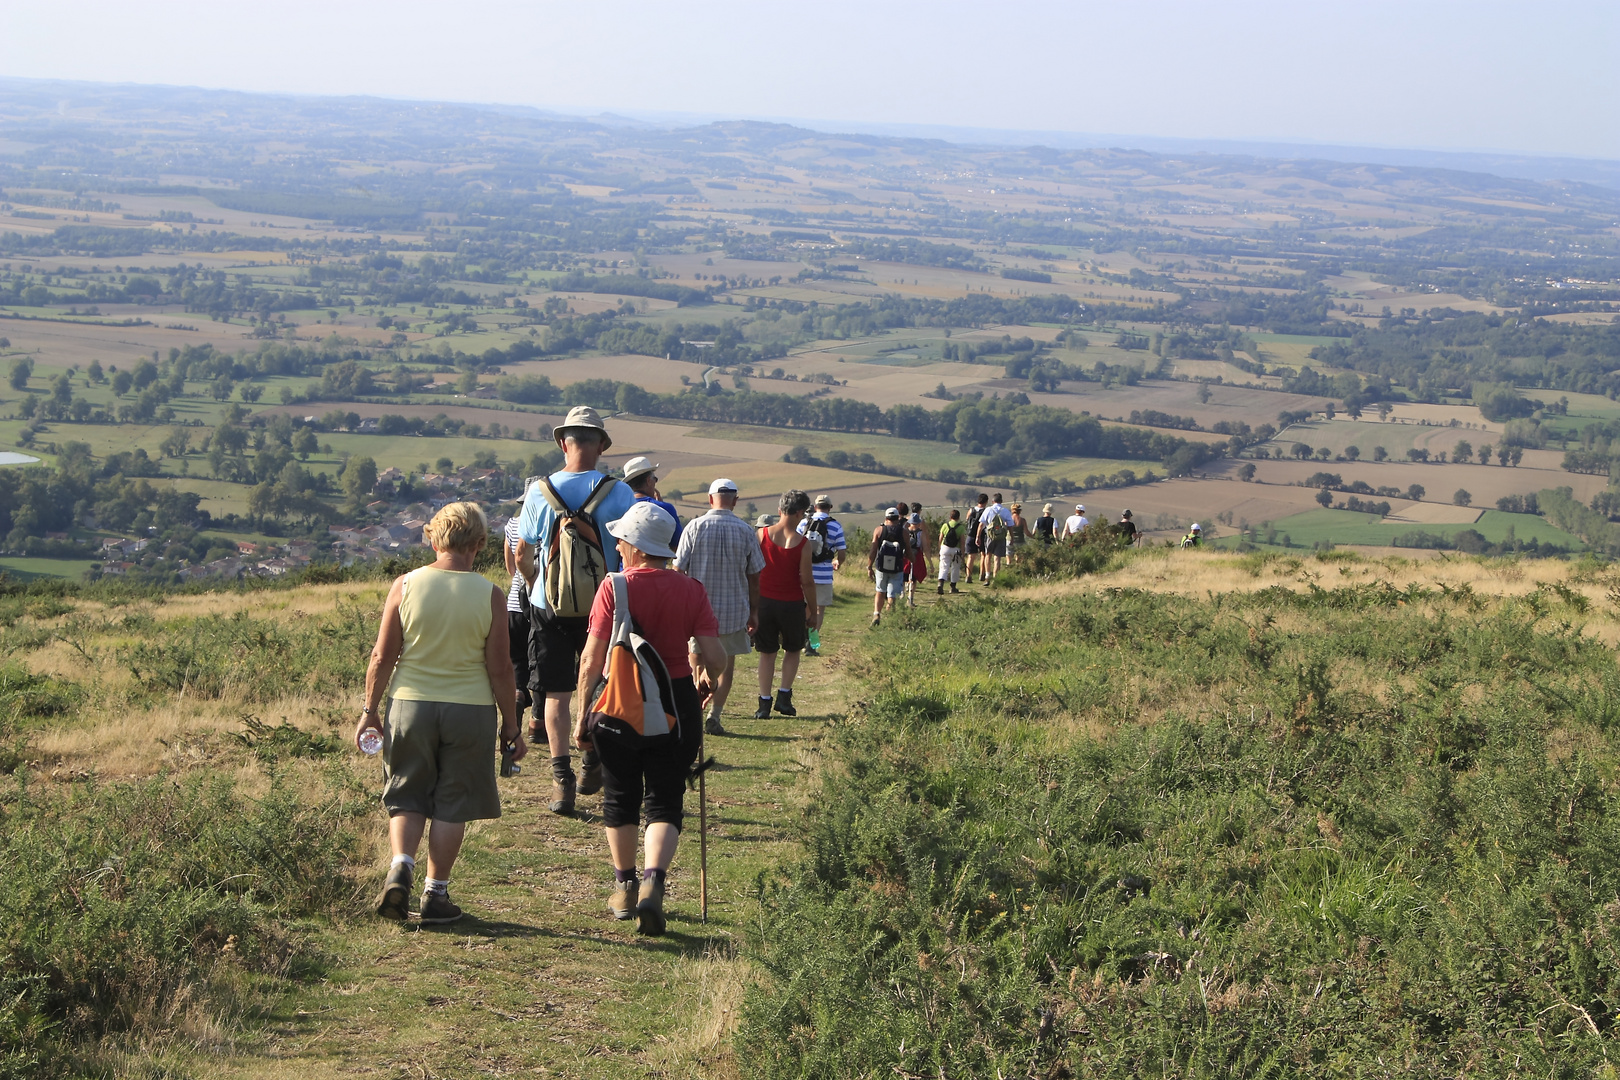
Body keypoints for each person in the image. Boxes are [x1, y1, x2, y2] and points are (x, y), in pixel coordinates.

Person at [360, 502, 523, 925]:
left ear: (433, 538)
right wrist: (511, 724)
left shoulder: (405, 585)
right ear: (481, 544)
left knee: (407, 792)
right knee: (454, 802)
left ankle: (401, 867)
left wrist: (369, 710)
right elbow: (501, 669)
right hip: (470, 711)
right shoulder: (490, 595)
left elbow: (382, 656)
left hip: (409, 704)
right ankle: (436, 895)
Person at [573, 502, 724, 936]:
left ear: (636, 547)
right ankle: (653, 882)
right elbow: (713, 653)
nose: (617, 546)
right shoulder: (690, 589)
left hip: (619, 700)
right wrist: (709, 679)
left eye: (621, 539)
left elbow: (591, 660)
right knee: (665, 797)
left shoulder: (614, 587)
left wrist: (584, 714)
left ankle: (624, 886)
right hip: (676, 701)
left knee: (619, 795)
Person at [514, 405, 637, 816]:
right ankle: (591, 758)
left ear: (563, 443)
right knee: (601, 683)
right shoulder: (618, 493)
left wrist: (536, 588)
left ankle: (561, 779)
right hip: (603, 602)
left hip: (547, 605)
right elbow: (629, 552)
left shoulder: (538, 492)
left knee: (554, 693)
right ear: (601, 445)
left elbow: (523, 550)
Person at [674, 478, 763, 736]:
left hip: (696, 610)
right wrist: (754, 610)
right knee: (725, 665)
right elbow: (755, 575)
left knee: (696, 662)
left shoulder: (694, 527)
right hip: (734, 610)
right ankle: (715, 714)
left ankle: (694, 710)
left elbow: (678, 569)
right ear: (735, 501)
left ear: (710, 499)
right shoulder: (746, 530)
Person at [754, 490, 817, 718]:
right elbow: (807, 581)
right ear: (800, 512)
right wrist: (813, 610)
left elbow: (751, 570)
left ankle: (764, 703)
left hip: (764, 602)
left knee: (766, 653)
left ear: (781, 509)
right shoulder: (803, 544)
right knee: (792, 649)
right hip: (791, 604)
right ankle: (784, 696)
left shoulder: (761, 535)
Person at [796, 494, 846, 656]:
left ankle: (800, 639)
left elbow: (794, 545)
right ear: (830, 507)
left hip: (803, 572)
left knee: (804, 607)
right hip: (824, 573)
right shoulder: (835, 526)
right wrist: (838, 562)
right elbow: (842, 551)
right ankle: (812, 644)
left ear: (815, 506)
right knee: (819, 609)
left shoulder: (803, 523)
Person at [502, 501, 534, 723]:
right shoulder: (549, 524)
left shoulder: (512, 525)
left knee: (517, 659)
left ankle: (517, 693)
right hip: (541, 604)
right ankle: (537, 722)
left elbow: (511, 568)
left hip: (514, 602)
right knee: (540, 661)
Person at [621, 455, 683, 546]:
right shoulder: (664, 509)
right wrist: (661, 505)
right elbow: (679, 544)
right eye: (655, 479)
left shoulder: (620, 507)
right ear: (648, 481)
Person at [868, 506, 909, 626]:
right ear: (898, 518)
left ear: (886, 518)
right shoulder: (904, 532)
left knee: (880, 591)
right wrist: (912, 560)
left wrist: (869, 567)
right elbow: (908, 551)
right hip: (897, 567)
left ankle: (876, 614)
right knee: (892, 594)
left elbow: (873, 550)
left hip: (881, 567)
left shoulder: (879, 530)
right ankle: (891, 615)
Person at [976, 493, 1013, 581]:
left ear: (992, 501)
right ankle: (996, 577)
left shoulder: (988, 510)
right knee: (997, 558)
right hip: (1001, 536)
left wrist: (978, 536)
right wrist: (1012, 537)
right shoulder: (1005, 511)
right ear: (1001, 501)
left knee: (988, 555)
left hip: (990, 536)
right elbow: (1010, 526)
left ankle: (987, 575)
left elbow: (981, 524)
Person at [904, 501, 929, 608]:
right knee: (914, 578)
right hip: (916, 556)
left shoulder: (904, 531)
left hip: (905, 556)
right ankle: (910, 598)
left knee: (904, 576)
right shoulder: (920, 533)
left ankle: (902, 595)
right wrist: (930, 562)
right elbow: (925, 547)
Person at [936, 508, 966, 595]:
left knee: (943, 567)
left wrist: (940, 548)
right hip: (956, 550)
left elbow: (940, 538)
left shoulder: (945, 525)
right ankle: (953, 587)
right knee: (955, 568)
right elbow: (962, 542)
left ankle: (940, 584)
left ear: (950, 517)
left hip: (945, 548)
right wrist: (963, 553)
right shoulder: (960, 527)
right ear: (958, 517)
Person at [963, 494, 988, 583]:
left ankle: (968, 576)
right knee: (983, 555)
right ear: (986, 502)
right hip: (982, 535)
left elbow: (967, 520)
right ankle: (982, 574)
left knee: (971, 557)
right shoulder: (986, 511)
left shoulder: (971, 510)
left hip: (970, 535)